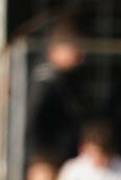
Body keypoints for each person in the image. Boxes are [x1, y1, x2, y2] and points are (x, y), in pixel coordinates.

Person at [27, 24, 88, 165]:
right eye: (75, 48)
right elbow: (34, 121)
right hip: (47, 159)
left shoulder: (68, 78)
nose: (81, 55)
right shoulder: (45, 79)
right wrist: (39, 158)